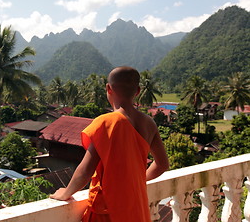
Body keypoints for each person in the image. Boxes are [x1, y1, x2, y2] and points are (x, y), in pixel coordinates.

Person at [50, 66, 169, 222]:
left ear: (108, 88)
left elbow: (86, 169)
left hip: (108, 209)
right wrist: (136, 180)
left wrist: (66, 193)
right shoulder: (149, 123)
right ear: (138, 91)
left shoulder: (107, 122)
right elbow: (162, 164)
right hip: (135, 205)